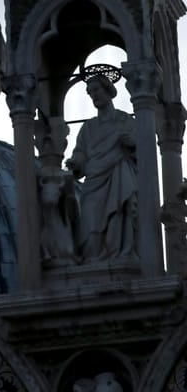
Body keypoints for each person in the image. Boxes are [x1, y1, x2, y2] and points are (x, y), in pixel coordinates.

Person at [66, 73, 137, 261]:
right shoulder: (88, 127)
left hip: (117, 174)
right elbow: (80, 151)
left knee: (118, 215)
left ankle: (120, 253)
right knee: (89, 222)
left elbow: (142, 150)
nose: (93, 96)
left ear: (108, 89)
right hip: (93, 181)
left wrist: (132, 144)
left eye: (96, 90)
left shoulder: (125, 120)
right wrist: (76, 162)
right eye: (90, 93)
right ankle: (93, 260)